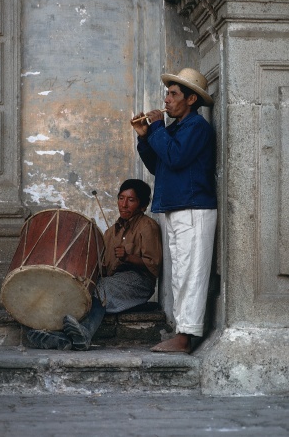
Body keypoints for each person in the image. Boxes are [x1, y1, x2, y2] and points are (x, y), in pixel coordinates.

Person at [131, 68, 217, 354]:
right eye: (167, 94)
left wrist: (155, 128)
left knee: (191, 273)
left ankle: (185, 337)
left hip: (193, 210)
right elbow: (160, 166)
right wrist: (145, 138)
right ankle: (181, 331)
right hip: (177, 208)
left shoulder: (196, 127)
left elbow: (176, 157)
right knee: (180, 273)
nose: (166, 100)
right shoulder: (176, 129)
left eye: (173, 94)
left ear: (191, 99)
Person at [27, 179, 162, 351]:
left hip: (139, 283)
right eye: (121, 198)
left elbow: (154, 264)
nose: (124, 204)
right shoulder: (110, 232)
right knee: (80, 287)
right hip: (113, 281)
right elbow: (103, 267)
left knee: (100, 288)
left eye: (131, 200)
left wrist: (129, 257)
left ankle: (85, 333)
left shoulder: (147, 226)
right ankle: (61, 338)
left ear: (143, 206)